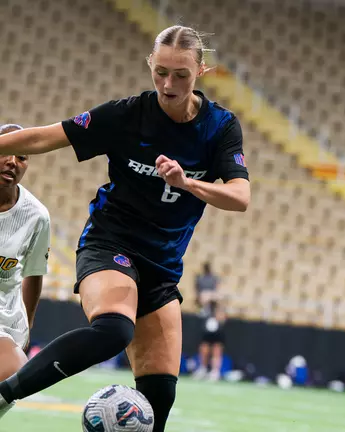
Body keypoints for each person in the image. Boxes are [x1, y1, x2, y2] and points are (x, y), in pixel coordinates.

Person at [0, 25, 250, 432]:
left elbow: (240, 196)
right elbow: (46, 137)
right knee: (114, 329)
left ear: (201, 70)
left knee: (160, 400)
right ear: (150, 65)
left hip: (163, 266)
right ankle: (3, 395)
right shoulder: (126, 115)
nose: (168, 85)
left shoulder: (220, 128)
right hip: (109, 243)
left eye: (181, 75)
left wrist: (187, 183)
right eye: (160, 72)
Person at [0, 124, 51, 386]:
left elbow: (34, 273)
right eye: (7, 151)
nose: (12, 162)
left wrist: (28, 325)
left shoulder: (36, 216)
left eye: (22, 157)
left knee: (14, 378)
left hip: (5, 322)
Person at [192, 300, 227, 381]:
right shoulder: (205, 307)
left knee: (216, 352)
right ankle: (202, 369)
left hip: (218, 333)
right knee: (204, 350)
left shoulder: (219, 308)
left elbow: (223, 319)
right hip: (207, 333)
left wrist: (218, 316)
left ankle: (215, 372)